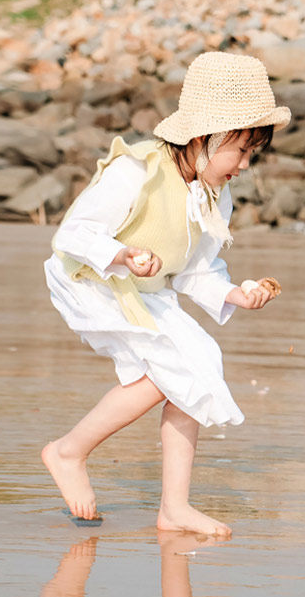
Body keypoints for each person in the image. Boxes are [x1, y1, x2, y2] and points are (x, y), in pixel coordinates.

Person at [41, 51, 291, 536]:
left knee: (196, 364)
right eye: (239, 150)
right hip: (91, 281)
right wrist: (120, 254)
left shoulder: (216, 193)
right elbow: (73, 233)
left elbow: (195, 271)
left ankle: (174, 507)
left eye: (250, 154)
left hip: (145, 290)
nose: (243, 165)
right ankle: (68, 451)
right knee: (165, 371)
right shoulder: (137, 171)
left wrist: (236, 294)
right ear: (202, 137)